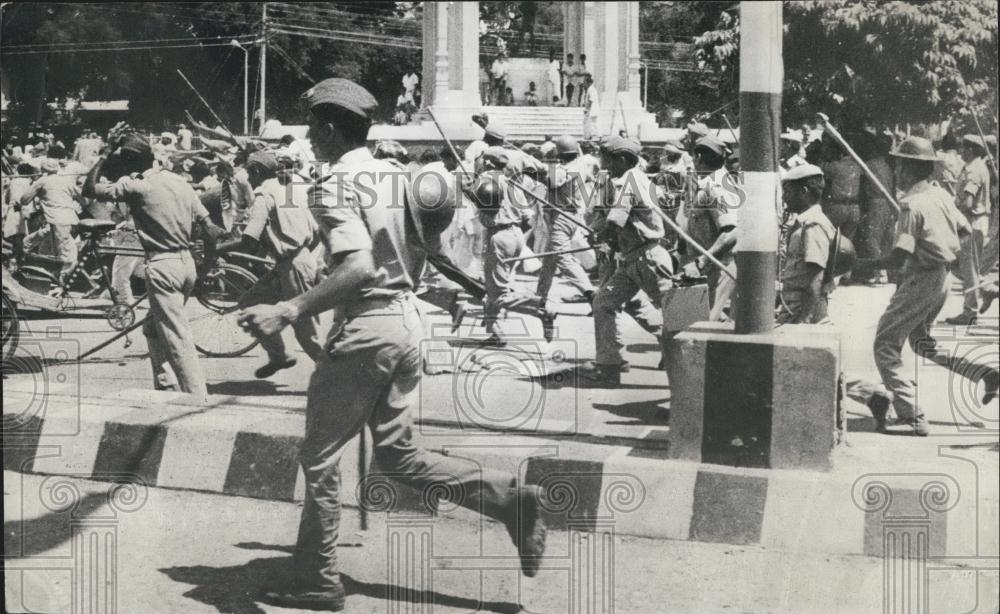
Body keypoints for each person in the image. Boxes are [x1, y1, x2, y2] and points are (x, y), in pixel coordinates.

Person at [237, 78, 548, 611]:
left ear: (330, 130)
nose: (310, 138)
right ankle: (509, 500)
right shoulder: (397, 174)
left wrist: (289, 309)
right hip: (406, 322)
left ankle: (317, 577)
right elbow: (429, 249)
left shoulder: (333, 184)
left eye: (313, 127)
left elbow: (358, 265)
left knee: (319, 456)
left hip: (368, 326)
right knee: (398, 457)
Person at [868, 136, 997, 436]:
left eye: (900, 165)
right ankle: (984, 374)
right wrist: (941, 248)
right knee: (921, 342)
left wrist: (866, 264)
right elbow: (965, 232)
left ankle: (912, 416)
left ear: (911, 169)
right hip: (941, 276)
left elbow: (900, 255)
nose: (897, 170)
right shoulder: (939, 196)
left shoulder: (912, 205)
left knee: (885, 345)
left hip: (921, 277)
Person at [83, 135, 224, 401]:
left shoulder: (137, 185)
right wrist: (206, 266)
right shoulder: (179, 181)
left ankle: (198, 398)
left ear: (130, 162)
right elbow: (210, 228)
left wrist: (104, 154)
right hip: (186, 265)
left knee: (176, 337)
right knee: (152, 329)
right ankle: (167, 388)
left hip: (162, 265)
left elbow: (89, 189)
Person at [216, 151, 323, 378]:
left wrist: (217, 250)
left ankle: (337, 374)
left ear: (255, 172)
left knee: (307, 331)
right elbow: (315, 233)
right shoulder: (289, 190)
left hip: (292, 265)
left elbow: (249, 240)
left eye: (248, 173)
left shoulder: (264, 194)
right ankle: (279, 356)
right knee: (250, 303)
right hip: (295, 261)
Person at [585, 136, 674, 385]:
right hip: (632, 257)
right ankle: (609, 365)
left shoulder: (629, 181)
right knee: (603, 302)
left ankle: (689, 374)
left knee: (678, 317)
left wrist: (601, 237)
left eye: (608, 159)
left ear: (623, 159)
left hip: (649, 258)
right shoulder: (632, 178)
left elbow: (615, 222)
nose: (605, 164)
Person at [678, 135, 738, 321]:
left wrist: (702, 261)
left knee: (702, 325)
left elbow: (731, 231)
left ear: (699, 158)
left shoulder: (715, 187)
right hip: (706, 266)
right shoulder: (706, 184)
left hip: (718, 266)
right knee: (696, 323)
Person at [536, 134, 596, 306]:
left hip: (562, 217)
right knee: (549, 261)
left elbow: (551, 181)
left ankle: (590, 293)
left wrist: (541, 169)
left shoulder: (564, 170)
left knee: (562, 257)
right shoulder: (581, 165)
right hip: (568, 216)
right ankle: (540, 298)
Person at [777, 164, 839, 324]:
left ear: (803, 192)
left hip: (803, 310)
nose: (784, 198)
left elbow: (815, 277)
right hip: (794, 305)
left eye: (787, 192)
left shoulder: (813, 225)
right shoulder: (804, 223)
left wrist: (805, 320)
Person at [943, 134, 992, 325]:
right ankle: (987, 289)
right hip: (974, 222)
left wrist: (951, 209)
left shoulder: (974, 170)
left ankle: (970, 311)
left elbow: (968, 202)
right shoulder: (975, 167)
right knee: (961, 266)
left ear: (970, 150)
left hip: (972, 222)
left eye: (963, 148)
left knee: (969, 268)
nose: (960, 151)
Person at [19, 158, 81, 288]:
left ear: (43, 170)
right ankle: (49, 280)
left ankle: (61, 286)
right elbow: (83, 199)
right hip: (70, 220)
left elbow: (24, 199)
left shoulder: (42, 181)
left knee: (64, 254)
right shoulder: (67, 181)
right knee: (50, 251)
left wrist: (37, 187)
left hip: (57, 220)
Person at [820, 136, 863, 243]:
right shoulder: (857, 167)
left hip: (839, 206)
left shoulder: (835, 166)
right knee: (847, 241)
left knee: (830, 238)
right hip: (854, 207)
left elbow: (821, 168)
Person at [582, 74, 600, 139]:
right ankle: (592, 136)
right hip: (593, 110)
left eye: (585, 82)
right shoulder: (591, 89)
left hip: (592, 110)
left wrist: (587, 109)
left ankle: (595, 136)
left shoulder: (591, 89)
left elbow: (591, 100)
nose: (584, 84)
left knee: (592, 124)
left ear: (588, 83)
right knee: (592, 124)